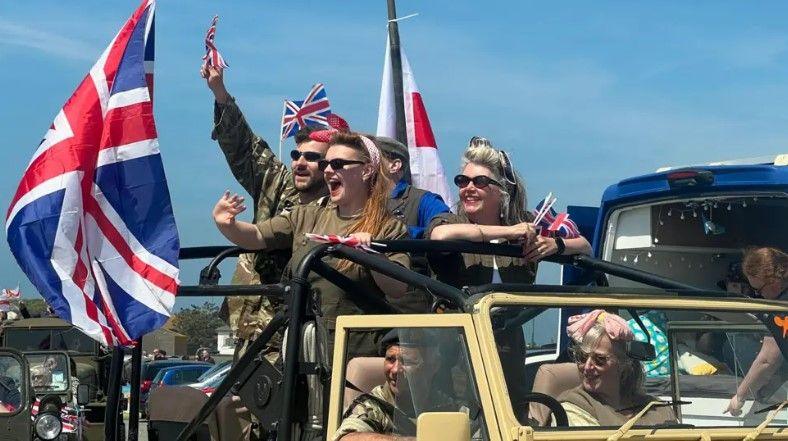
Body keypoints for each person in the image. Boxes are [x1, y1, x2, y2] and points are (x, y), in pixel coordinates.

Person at [214, 131, 411, 357]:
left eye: (338, 164)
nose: (327, 170)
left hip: (355, 350)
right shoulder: (307, 216)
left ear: (366, 170)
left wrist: (372, 255)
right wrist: (227, 224)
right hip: (304, 347)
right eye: (326, 163)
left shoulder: (388, 227)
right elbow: (257, 236)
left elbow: (397, 288)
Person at [201, 64, 331, 360]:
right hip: (251, 327)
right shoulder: (281, 183)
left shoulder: (340, 206)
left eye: (312, 158)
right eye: (297, 155)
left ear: (332, 164)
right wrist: (219, 91)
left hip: (301, 331)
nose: (299, 162)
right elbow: (246, 148)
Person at [428, 137, 591, 287]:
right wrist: (509, 232)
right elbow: (439, 236)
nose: (469, 188)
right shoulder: (450, 222)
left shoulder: (526, 223)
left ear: (501, 191)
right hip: (460, 318)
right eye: (463, 181)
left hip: (513, 319)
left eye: (480, 182)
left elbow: (585, 247)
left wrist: (555, 245)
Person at [333, 329, 467, 440]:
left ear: (433, 367)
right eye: (390, 360)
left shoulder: (449, 406)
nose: (396, 369)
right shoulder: (372, 406)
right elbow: (347, 438)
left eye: (408, 362)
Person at [559, 310, 676, 426]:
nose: (587, 367)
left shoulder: (658, 409)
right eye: (582, 357)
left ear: (624, 364)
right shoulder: (574, 408)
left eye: (599, 359)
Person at [376, 136, 450, 313]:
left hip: (408, 315)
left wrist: (399, 233)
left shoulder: (424, 200)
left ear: (395, 165)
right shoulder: (357, 201)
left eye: (373, 157)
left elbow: (445, 229)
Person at [725, 246, 788, 416]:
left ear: (774, 281)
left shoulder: (782, 308)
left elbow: (768, 360)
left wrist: (740, 396)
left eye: (758, 290)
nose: (758, 296)